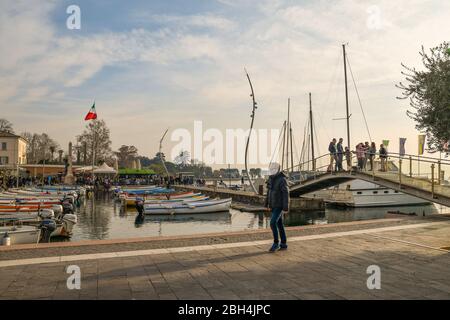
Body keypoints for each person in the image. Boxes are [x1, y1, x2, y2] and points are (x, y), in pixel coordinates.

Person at [265, 162, 289, 252]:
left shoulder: (282, 179)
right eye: (271, 169)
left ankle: (276, 243)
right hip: (273, 205)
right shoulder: (271, 179)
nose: (272, 171)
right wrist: (266, 204)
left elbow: (286, 194)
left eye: (274, 169)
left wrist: (285, 207)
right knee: (279, 224)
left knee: (272, 223)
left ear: (278, 169)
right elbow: (268, 193)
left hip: (279, 206)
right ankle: (283, 243)